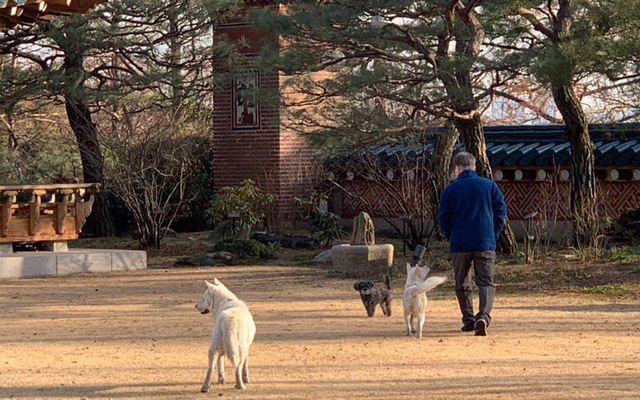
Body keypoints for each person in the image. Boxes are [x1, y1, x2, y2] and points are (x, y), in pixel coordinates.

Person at [436, 152, 507, 336]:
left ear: (456, 168)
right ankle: (483, 316)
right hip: (485, 241)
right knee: (486, 282)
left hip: (459, 242)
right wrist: (493, 233)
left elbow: (443, 217)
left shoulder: (450, 190)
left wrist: (450, 234)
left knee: (462, 282)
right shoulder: (489, 185)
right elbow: (501, 213)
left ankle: (468, 320)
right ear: (474, 167)